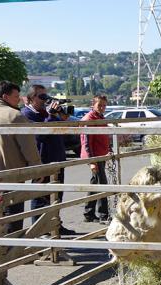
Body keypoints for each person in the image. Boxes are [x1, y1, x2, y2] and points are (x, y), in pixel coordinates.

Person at [21, 84, 75, 235]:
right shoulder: (26, 114)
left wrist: (61, 115)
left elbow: (63, 130)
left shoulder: (46, 112)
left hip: (57, 159)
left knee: (56, 195)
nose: (44, 100)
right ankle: (39, 229)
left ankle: (55, 225)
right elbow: (39, 135)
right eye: (41, 97)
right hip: (42, 160)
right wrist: (51, 115)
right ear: (31, 99)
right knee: (40, 197)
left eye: (46, 96)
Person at [0, 80, 42, 234]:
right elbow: (29, 148)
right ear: (5, 96)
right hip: (11, 174)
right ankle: (11, 252)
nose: (19, 99)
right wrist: (37, 170)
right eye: (16, 96)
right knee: (12, 215)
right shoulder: (15, 116)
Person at [80, 94, 111, 224]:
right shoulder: (89, 119)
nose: (102, 107)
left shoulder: (100, 117)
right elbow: (86, 143)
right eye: (100, 105)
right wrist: (92, 162)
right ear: (93, 104)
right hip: (94, 157)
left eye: (104, 105)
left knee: (95, 183)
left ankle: (89, 212)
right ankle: (104, 214)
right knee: (102, 184)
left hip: (100, 155)